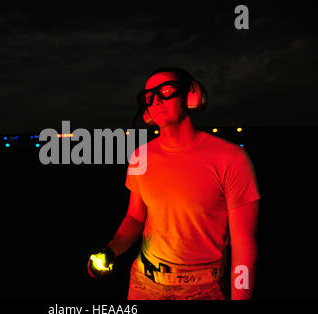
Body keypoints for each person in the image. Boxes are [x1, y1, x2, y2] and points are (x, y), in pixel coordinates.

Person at [88, 67, 261, 300]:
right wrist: (110, 250)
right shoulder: (140, 157)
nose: (156, 101)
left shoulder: (231, 158)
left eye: (166, 91)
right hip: (144, 282)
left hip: (204, 289)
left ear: (190, 95)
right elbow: (135, 217)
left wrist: (241, 297)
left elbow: (244, 244)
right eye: (149, 97)